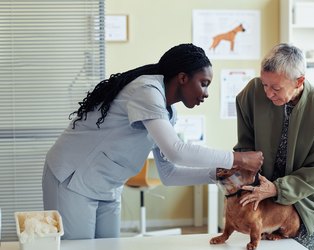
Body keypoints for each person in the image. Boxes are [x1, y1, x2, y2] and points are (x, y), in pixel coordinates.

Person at [42, 43, 264, 240]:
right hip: (71, 178)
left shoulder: (168, 114)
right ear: (183, 78)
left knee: (108, 246)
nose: (206, 93)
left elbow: (168, 174)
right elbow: (177, 151)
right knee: (77, 247)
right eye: (203, 83)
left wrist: (215, 173)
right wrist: (239, 158)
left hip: (107, 186)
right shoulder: (146, 91)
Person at [233, 43, 314, 250]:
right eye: (265, 84)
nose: (267, 93)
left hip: (305, 197)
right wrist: (241, 177)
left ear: (299, 81)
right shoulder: (252, 93)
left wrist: (276, 189)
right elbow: (245, 145)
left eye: (275, 88)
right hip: (261, 190)